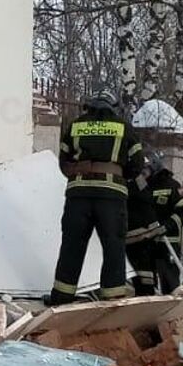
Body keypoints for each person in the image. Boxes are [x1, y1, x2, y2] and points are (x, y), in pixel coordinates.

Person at [49, 89, 144, 305]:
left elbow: (64, 162)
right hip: (111, 196)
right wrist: (119, 176)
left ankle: (62, 295)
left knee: (72, 244)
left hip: (78, 195)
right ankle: (111, 297)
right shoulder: (124, 127)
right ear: (114, 107)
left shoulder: (75, 126)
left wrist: (82, 170)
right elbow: (137, 163)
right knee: (113, 245)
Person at [126, 151, 183, 296]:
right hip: (146, 243)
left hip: (167, 242)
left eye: (145, 171)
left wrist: (167, 226)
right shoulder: (140, 188)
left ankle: (174, 309)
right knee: (146, 283)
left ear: (154, 166)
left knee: (170, 282)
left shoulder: (171, 186)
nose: (143, 175)